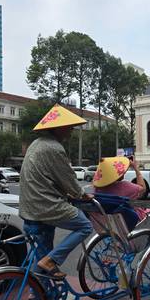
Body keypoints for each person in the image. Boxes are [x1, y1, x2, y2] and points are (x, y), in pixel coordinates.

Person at [19, 104, 93, 279]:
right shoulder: (54, 148)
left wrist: (66, 193)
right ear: (59, 128)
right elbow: (68, 178)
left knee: (40, 257)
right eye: (69, 128)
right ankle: (52, 261)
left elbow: (49, 177)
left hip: (30, 208)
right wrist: (82, 195)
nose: (71, 131)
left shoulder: (36, 144)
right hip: (45, 206)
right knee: (85, 226)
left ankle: (37, 295)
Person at [93, 156, 150, 240]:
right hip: (131, 221)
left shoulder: (97, 190)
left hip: (110, 228)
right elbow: (143, 189)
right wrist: (136, 168)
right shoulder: (124, 186)